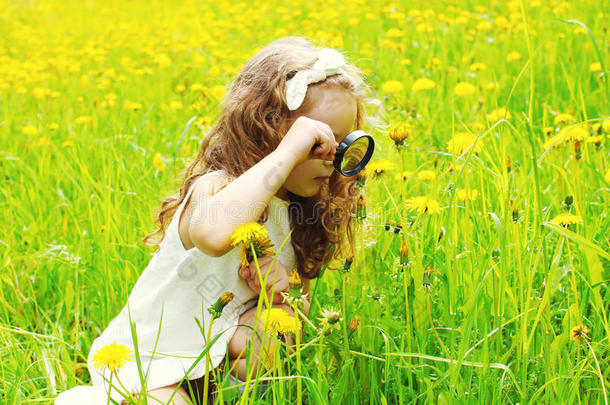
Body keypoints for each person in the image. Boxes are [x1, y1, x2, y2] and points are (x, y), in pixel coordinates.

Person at [55, 35, 382, 405]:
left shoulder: (305, 215)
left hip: (213, 377)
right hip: (150, 364)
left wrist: (283, 292)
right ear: (266, 132)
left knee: (277, 325)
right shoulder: (215, 188)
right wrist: (289, 152)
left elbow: (303, 319)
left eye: (342, 146)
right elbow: (213, 235)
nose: (330, 160)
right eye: (316, 143)